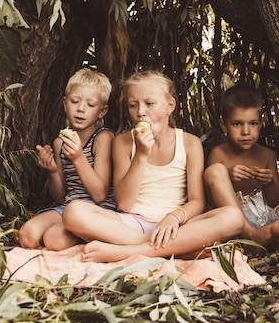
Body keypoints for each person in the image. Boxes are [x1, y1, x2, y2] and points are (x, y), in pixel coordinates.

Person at [62, 70, 244, 262]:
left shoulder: (190, 143)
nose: (140, 112)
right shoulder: (123, 142)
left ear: (170, 105)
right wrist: (141, 155)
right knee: (73, 212)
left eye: (149, 104)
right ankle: (177, 250)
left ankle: (126, 252)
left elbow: (197, 201)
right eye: (133, 105)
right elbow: (124, 203)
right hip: (132, 224)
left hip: (178, 226)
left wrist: (173, 217)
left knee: (233, 217)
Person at [204, 84, 279, 249]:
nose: (246, 131)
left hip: (265, 218)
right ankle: (251, 237)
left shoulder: (266, 155)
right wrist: (227, 176)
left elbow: (276, 202)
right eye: (237, 124)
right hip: (233, 224)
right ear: (224, 125)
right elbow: (209, 200)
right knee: (215, 171)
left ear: (261, 124)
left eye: (253, 123)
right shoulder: (219, 154)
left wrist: (269, 183)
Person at [18, 69, 114, 250]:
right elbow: (61, 197)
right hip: (68, 207)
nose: (81, 109)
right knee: (27, 236)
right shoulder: (60, 142)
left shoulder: (103, 138)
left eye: (90, 104)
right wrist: (52, 170)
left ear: (102, 111)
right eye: (75, 101)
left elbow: (100, 195)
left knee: (54, 240)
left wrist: (78, 158)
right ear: (65, 103)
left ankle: (95, 235)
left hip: (98, 211)